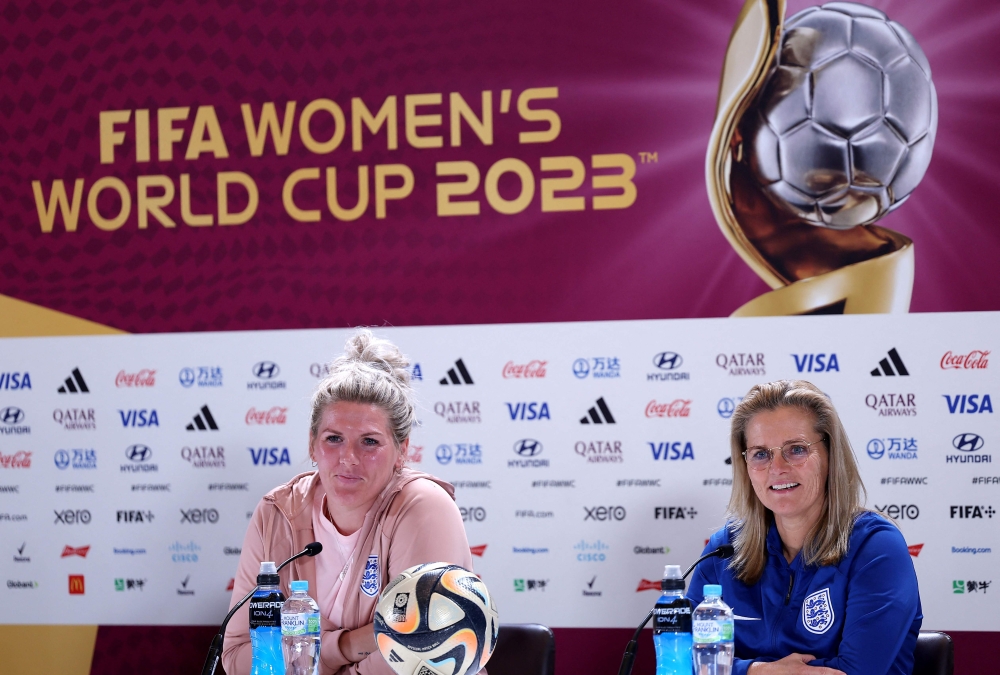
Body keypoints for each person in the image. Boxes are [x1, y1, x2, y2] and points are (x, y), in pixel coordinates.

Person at [223, 329, 478, 675]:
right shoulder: (276, 513)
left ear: (403, 450)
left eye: (370, 442)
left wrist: (310, 655)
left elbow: (419, 654)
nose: (349, 458)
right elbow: (239, 656)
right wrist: (351, 644)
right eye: (334, 438)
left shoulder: (424, 506)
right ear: (312, 444)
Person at [688, 380, 921, 675]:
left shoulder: (875, 547)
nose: (777, 467)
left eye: (796, 449)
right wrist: (757, 671)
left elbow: (855, 672)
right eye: (760, 453)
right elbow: (683, 660)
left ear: (830, 455)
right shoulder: (722, 552)